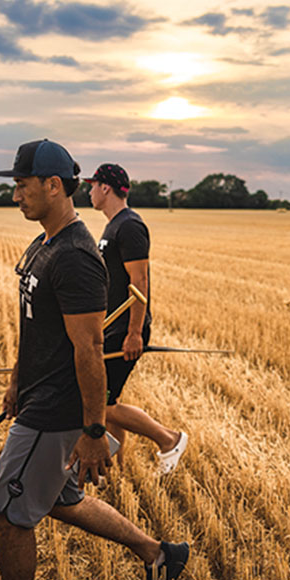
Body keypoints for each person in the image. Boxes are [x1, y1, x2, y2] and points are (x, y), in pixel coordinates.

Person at [0, 139, 188, 580]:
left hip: (53, 409)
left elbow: (89, 349)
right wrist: (18, 379)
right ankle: (158, 554)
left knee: (9, 514)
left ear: (53, 185)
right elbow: (35, 327)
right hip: (38, 396)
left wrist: (94, 430)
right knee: (62, 501)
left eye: (22, 185)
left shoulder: (74, 256)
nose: (16, 195)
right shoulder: (43, 244)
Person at [86, 163, 188, 475]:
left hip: (125, 328)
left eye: (92, 185)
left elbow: (139, 282)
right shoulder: (114, 225)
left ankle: (169, 439)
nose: (89, 192)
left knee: (100, 403)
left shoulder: (129, 226)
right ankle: (114, 466)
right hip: (113, 326)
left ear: (105, 187)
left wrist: (134, 333)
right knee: (109, 400)